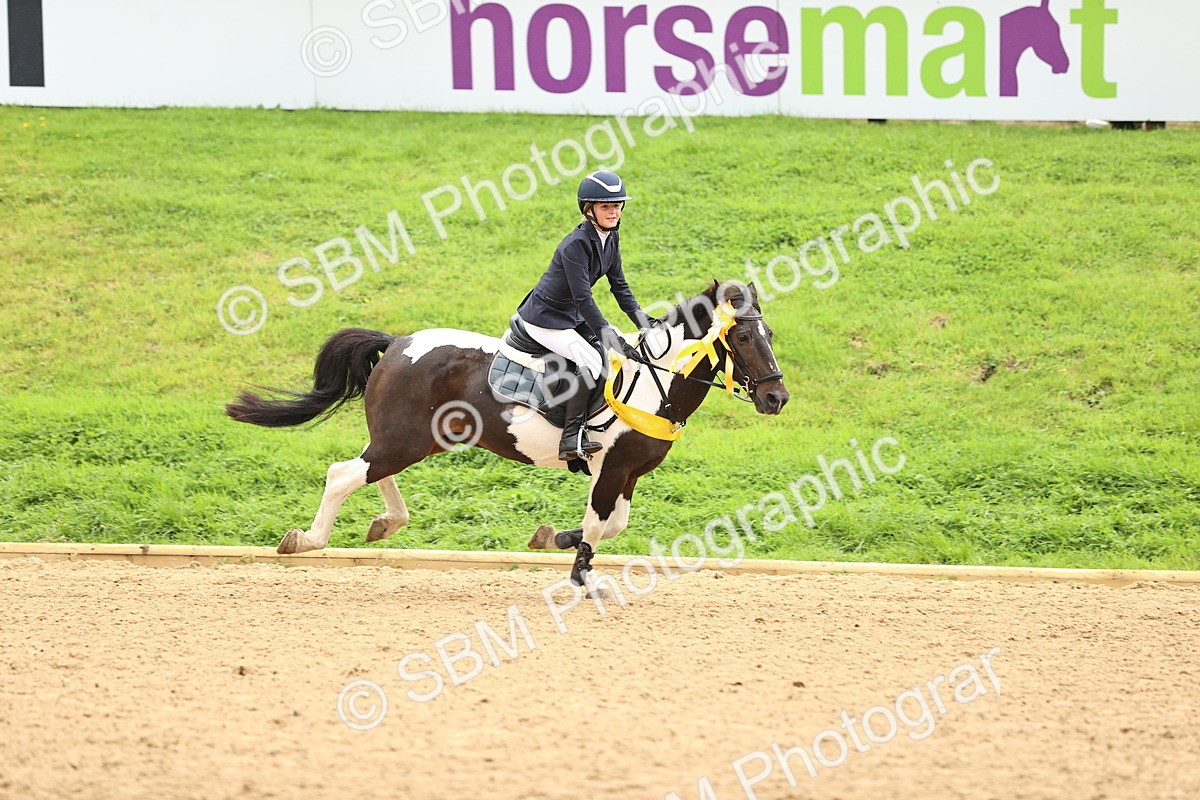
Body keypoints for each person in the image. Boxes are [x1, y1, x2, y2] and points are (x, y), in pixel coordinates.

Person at [516, 169, 652, 461]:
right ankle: (571, 437)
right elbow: (583, 297)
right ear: (589, 209)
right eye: (605, 206)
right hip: (546, 318)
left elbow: (620, 286)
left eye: (617, 205)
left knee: (609, 353)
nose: (613, 212)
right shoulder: (576, 244)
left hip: (571, 315)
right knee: (591, 362)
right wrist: (608, 335)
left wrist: (645, 323)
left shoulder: (610, 238)